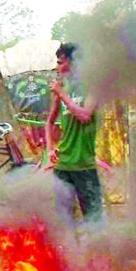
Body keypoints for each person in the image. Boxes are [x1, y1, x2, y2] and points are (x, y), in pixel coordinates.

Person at [45, 42, 103, 224]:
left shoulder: (93, 87)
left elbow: (85, 115)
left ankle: (96, 252)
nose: (57, 67)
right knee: (64, 221)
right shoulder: (62, 88)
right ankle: (71, 252)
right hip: (63, 167)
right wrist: (50, 148)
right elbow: (49, 122)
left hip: (84, 165)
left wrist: (62, 94)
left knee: (94, 221)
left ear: (74, 61)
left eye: (61, 62)